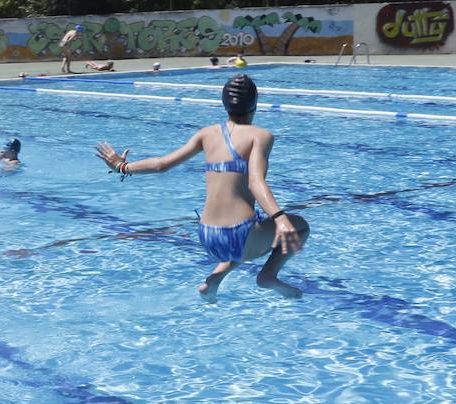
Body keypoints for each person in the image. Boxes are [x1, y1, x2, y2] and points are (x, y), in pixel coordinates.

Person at [94, 73, 308, 300]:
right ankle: (268, 276)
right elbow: (256, 182)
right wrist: (281, 219)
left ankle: (215, 279)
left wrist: (121, 166)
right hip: (241, 235)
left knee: (244, 236)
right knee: (300, 227)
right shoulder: (261, 136)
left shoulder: (207, 134)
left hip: (207, 237)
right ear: (255, 106)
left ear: (224, 104)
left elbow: (161, 165)